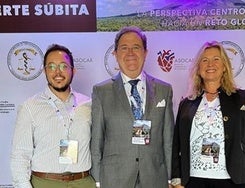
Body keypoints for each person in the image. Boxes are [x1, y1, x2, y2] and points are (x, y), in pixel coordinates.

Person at [90, 26, 174, 188]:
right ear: (115, 54)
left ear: (145, 52)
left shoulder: (165, 90)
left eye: (136, 47)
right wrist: (98, 179)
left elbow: (168, 139)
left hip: (154, 177)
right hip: (115, 178)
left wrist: (169, 177)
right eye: (124, 48)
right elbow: (97, 140)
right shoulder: (101, 91)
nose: (130, 53)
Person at [171, 41, 245, 188]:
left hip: (231, 181)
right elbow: (177, 145)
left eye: (216, 59)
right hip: (194, 180)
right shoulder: (187, 103)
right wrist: (176, 179)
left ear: (225, 67)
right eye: (205, 60)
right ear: (198, 68)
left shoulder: (243, 99)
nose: (210, 64)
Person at [10, 44, 96, 188]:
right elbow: (20, 155)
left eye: (64, 66)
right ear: (44, 71)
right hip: (44, 183)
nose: (58, 72)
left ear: (73, 71)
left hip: (83, 182)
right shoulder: (30, 107)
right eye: (51, 67)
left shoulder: (89, 104)